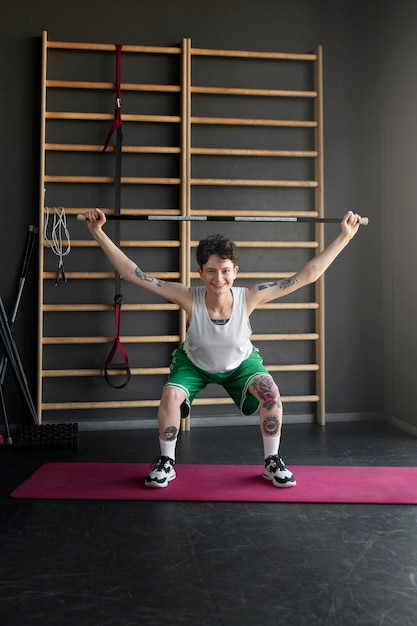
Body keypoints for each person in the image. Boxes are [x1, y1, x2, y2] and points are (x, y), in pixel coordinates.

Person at [85, 209, 362, 489]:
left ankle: (272, 461)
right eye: (211, 271)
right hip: (193, 364)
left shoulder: (249, 296)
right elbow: (133, 274)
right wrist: (98, 232)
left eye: (226, 271)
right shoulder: (187, 296)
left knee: (271, 392)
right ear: (200, 273)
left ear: (235, 271)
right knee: (170, 396)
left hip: (241, 364)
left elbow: (306, 276)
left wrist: (344, 237)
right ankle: (166, 462)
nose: (219, 278)